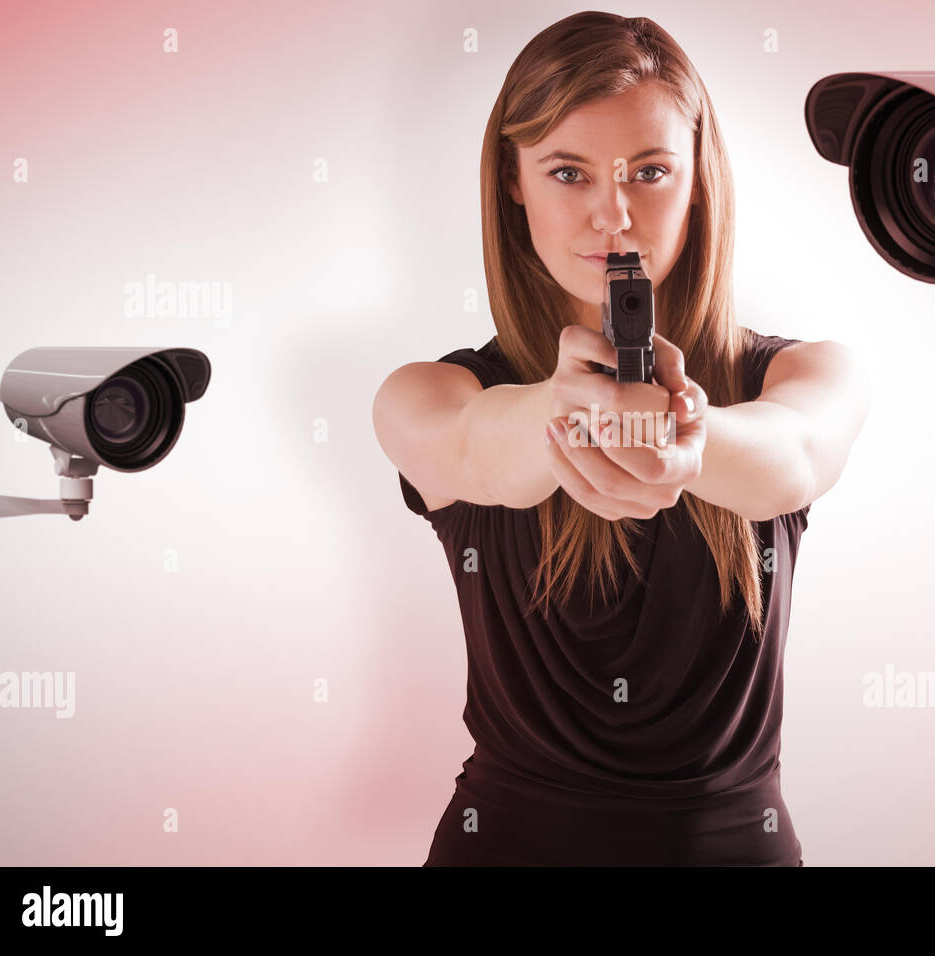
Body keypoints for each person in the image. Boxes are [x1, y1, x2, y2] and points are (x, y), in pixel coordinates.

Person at [372, 11, 870, 866]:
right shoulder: (428, 392)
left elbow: (794, 457)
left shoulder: (808, 374)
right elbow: (469, 449)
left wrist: (692, 439)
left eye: (649, 171)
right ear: (514, 182)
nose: (613, 214)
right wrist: (561, 415)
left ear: (698, 181)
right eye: (568, 172)